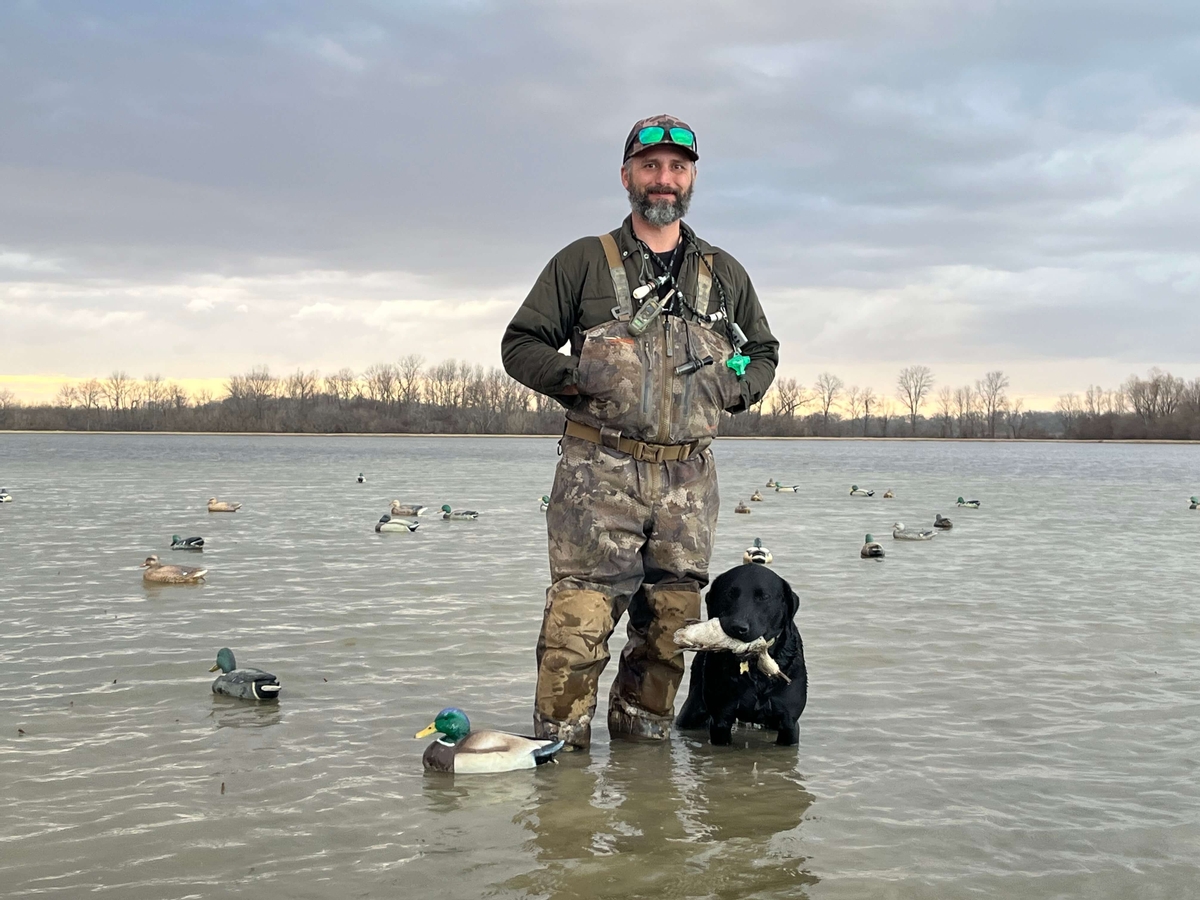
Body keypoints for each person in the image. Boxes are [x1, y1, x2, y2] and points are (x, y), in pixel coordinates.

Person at [501, 114, 779, 750]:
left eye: (677, 168)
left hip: (688, 480)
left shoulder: (723, 273)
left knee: (670, 634)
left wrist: (739, 387)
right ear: (627, 175)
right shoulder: (583, 263)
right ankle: (561, 775)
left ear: (692, 179)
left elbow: (763, 350)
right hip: (599, 472)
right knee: (577, 629)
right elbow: (520, 345)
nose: (664, 178)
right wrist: (581, 376)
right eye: (650, 166)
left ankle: (642, 773)